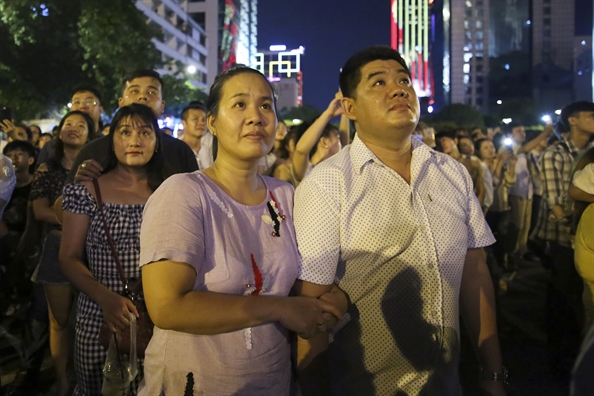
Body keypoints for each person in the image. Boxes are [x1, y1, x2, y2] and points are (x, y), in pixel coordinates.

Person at [294, 46, 505, 396]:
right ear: (350, 108)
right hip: (364, 385)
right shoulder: (327, 183)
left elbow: (474, 272)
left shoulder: (451, 172)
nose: (399, 89)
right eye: (378, 82)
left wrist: (493, 372)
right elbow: (312, 308)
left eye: (404, 80)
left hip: (448, 383)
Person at [137, 65, 344, 396]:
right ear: (214, 124)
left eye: (265, 106)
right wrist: (280, 308)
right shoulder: (184, 192)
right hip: (195, 384)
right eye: (239, 104)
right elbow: (166, 306)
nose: (255, 117)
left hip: (272, 382)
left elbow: (297, 284)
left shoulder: (286, 196)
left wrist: (333, 300)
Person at [59, 104, 169, 395]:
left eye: (145, 133)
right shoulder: (85, 191)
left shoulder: (171, 193)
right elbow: (68, 258)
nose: (135, 140)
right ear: (112, 140)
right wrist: (105, 298)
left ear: (157, 143)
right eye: (125, 132)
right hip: (98, 316)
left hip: (156, 319)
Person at [30, 110, 95, 396]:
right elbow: (39, 210)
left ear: (91, 135)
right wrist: (71, 220)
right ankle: (62, 379)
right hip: (56, 245)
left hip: (91, 251)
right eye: (69, 123)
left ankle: (85, 377)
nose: (73, 128)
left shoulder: (99, 170)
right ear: (59, 131)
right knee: (59, 319)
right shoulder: (47, 169)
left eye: (81, 125)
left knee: (89, 318)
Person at [532, 101, 594, 380]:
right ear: (572, 120)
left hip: (587, 235)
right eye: (590, 116)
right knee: (564, 301)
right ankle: (560, 364)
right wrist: (569, 224)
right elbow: (556, 198)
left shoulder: (589, 153)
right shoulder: (555, 153)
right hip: (563, 238)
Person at [66, 69, 198, 184]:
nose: (143, 97)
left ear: (162, 106)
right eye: (134, 91)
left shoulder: (180, 152)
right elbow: (64, 206)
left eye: (152, 92)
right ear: (121, 103)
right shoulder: (93, 151)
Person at [37, 84, 104, 166]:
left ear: (100, 110)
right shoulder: (51, 147)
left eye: (89, 102)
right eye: (77, 102)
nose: (82, 106)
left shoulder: (108, 145)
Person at [436, 130, 485, 205]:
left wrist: (477, 210)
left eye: (444, 140)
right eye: (438, 142)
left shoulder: (473, 162)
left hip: (469, 206)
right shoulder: (438, 164)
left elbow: (481, 189)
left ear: (455, 141)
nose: (441, 144)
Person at [180, 102, 213, 169]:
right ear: (183, 123)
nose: (201, 123)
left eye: (203, 120)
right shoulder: (175, 151)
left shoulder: (209, 152)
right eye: (195, 119)